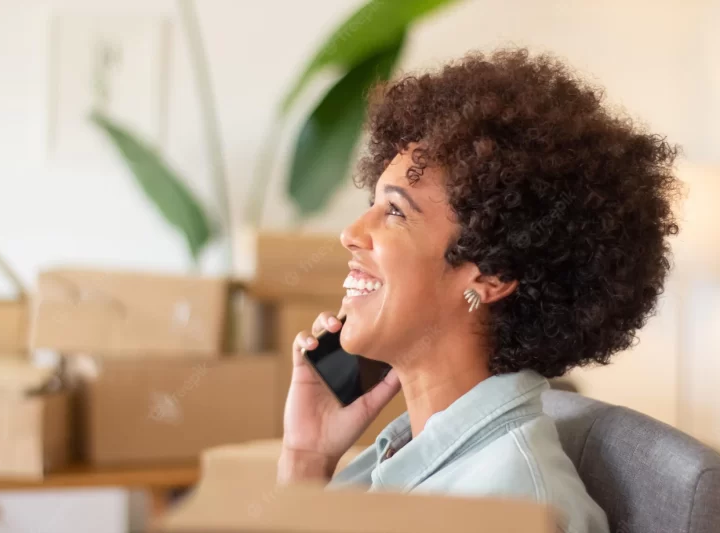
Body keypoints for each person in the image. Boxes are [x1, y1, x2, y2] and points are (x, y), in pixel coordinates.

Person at [278, 48, 679, 533]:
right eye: (373, 203)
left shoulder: (505, 504)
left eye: (396, 211)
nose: (352, 233)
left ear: (491, 277)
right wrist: (306, 455)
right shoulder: (408, 450)